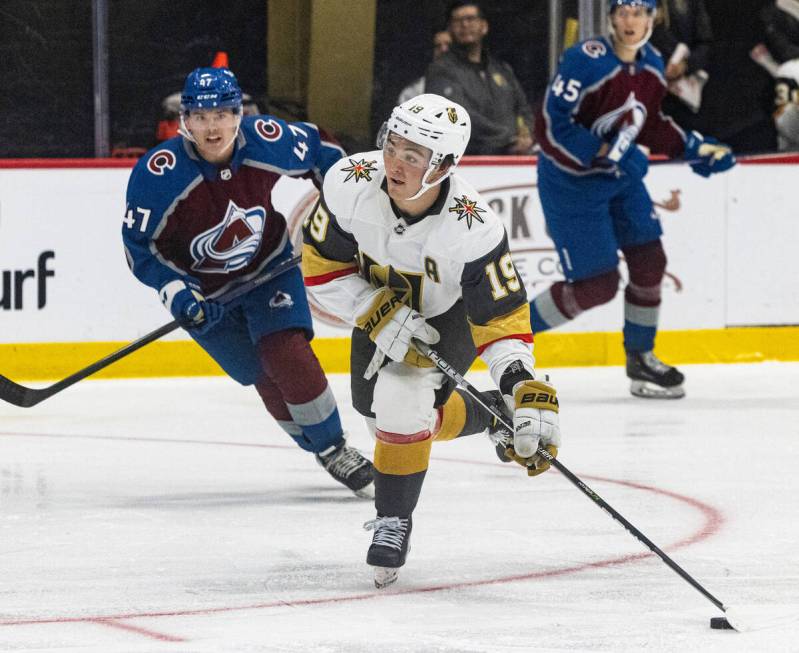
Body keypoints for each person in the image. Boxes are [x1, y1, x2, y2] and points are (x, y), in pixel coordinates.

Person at [301, 93, 561, 588]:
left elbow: (501, 319)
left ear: (442, 166)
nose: (395, 162)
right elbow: (319, 268)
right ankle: (488, 413)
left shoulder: (473, 226)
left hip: (449, 314)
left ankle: (393, 520)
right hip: (379, 307)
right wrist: (369, 308)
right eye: (393, 145)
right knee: (376, 413)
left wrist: (521, 385)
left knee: (401, 401)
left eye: (413, 156)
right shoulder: (348, 182)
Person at [122, 67, 375, 497]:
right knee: (257, 372)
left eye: (221, 114)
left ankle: (334, 448)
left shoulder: (265, 139)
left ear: (239, 113)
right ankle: (319, 444)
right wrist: (177, 291)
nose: (212, 126)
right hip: (204, 295)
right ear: (186, 120)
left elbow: (322, 153)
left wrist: (343, 210)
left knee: (285, 351)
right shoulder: (159, 174)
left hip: (268, 269)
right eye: (200, 116)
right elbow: (138, 247)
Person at [528, 0, 736, 399]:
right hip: (572, 184)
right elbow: (550, 126)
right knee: (597, 285)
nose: (630, 21)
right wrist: (607, 152)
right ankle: (501, 333)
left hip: (619, 179)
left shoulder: (654, 65)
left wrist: (693, 147)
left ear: (653, 18)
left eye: (639, 12)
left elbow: (649, 123)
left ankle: (640, 358)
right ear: (611, 19)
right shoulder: (584, 61)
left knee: (649, 261)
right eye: (622, 12)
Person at [424, 1, 534, 155]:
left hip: (512, 162)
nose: (465, 24)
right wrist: (508, 140)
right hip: (467, 163)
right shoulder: (441, 69)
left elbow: (523, 109)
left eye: (471, 18)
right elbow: (457, 116)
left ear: (484, 26)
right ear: (450, 29)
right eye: (458, 21)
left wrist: (526, 136)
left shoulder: (501, 69)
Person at [650, 0, 714, 128]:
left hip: (681, 97)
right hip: (646, 92)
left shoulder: (692, 3)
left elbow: (706, 44)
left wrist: (685, 65)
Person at [397, 30, 452, 105]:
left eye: (448, 44)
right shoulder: (416, 89)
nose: (443, 49)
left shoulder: (470, 81)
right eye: (438, 46)